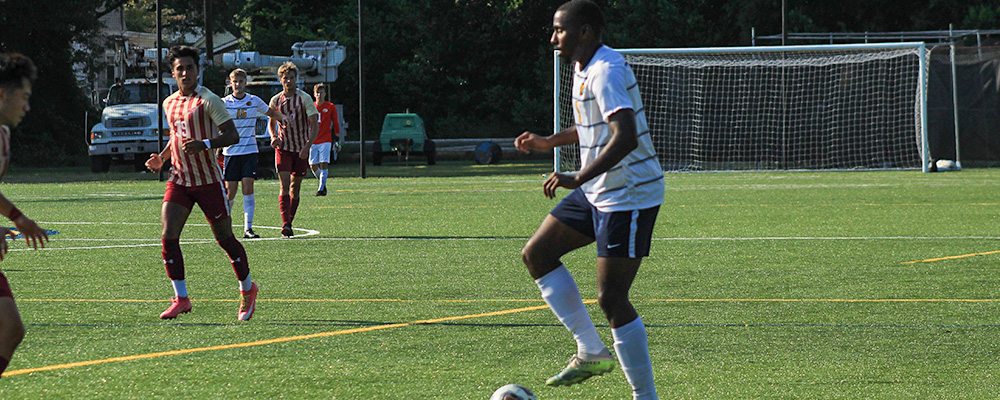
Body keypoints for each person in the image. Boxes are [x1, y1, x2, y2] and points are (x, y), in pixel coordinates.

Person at [513, 1, 663, 399]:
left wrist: (576, 177)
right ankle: (591, 350)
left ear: (585, 32)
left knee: (612, 298)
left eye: (560, 30)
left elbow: (625, 135)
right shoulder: (582, 68)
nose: (553, 39)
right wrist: (550, 142)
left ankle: (645, 397)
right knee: (537, 254)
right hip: (598, 189)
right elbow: (591, 128)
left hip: (629, 194)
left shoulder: (606, 70)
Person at [145, 46, 259, 321]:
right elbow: (176, 136)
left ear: (198, 71)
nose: (185, 73)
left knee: (225, 239)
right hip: (179, 179)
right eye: (180, 69)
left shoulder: (208, 100)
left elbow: (232, 135)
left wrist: (205, 144)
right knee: (168, 235)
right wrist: (162, 159)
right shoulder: (168, 103)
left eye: (190, 68)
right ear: (173, 73)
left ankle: (248, 289)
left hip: (208, 181)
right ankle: (181, 298)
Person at [0, 53, 48, 377]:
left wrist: (17, 217)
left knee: (11, 329)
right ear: (3, 94)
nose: (27, 107)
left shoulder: (3, 134)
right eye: (25, 97)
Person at [221, 68, 289, 238]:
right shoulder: (224, 102)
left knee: (248, 187)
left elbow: (270, 112)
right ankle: (226, 228)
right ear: (231, 83)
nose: (238, 84)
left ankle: (248, 229)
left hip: (249, 151)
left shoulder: (253, 100)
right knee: (230, 191)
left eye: (241, 81)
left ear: (246, 83)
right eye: (235, 81)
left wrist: (284, 118)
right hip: (230, 152)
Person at [268, 62, 318, 237]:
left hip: (300, 149)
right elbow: (271, 123)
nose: (288, 81)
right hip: (283, 148)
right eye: (285, 78)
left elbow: (314, 125)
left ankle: (290, 219)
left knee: (294, 187)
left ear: (296, 80)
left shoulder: (304, 99)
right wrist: (273, 137)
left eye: (291, 78)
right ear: (280, 80)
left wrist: (307, 146)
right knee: (283, 185)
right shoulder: (276, 100)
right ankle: (286, 224)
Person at [309, 83, 340, 196]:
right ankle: (323, 184)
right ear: (314, 94)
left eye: (321, 92)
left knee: (324, 163)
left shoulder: (330, 106)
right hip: (313, 140)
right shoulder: (311, 107)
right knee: (313, 165)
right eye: (317, 93)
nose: (319, 95)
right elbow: (307, 122)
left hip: (326, 139)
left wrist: (337, 136)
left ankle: (321, 189)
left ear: (325, 94)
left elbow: (335, 122)